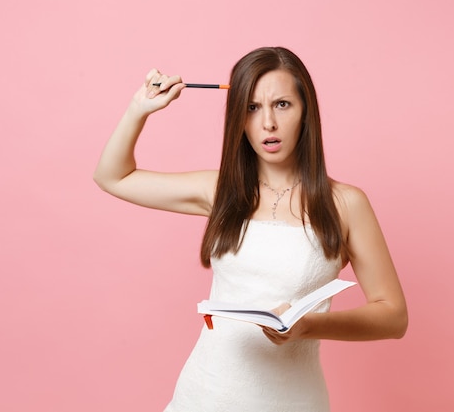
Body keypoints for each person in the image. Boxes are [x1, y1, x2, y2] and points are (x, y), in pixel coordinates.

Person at [93, 46, 408, 412]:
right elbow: (112, 177)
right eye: (252, 108)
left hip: (293, 400)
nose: (268, 124)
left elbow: (393, 316)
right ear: (238, 118)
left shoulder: (346, 204)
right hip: (204, 396)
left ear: (306, 112)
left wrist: (308, 326)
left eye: (282, 105)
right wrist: (140, 108)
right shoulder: (220, 191)